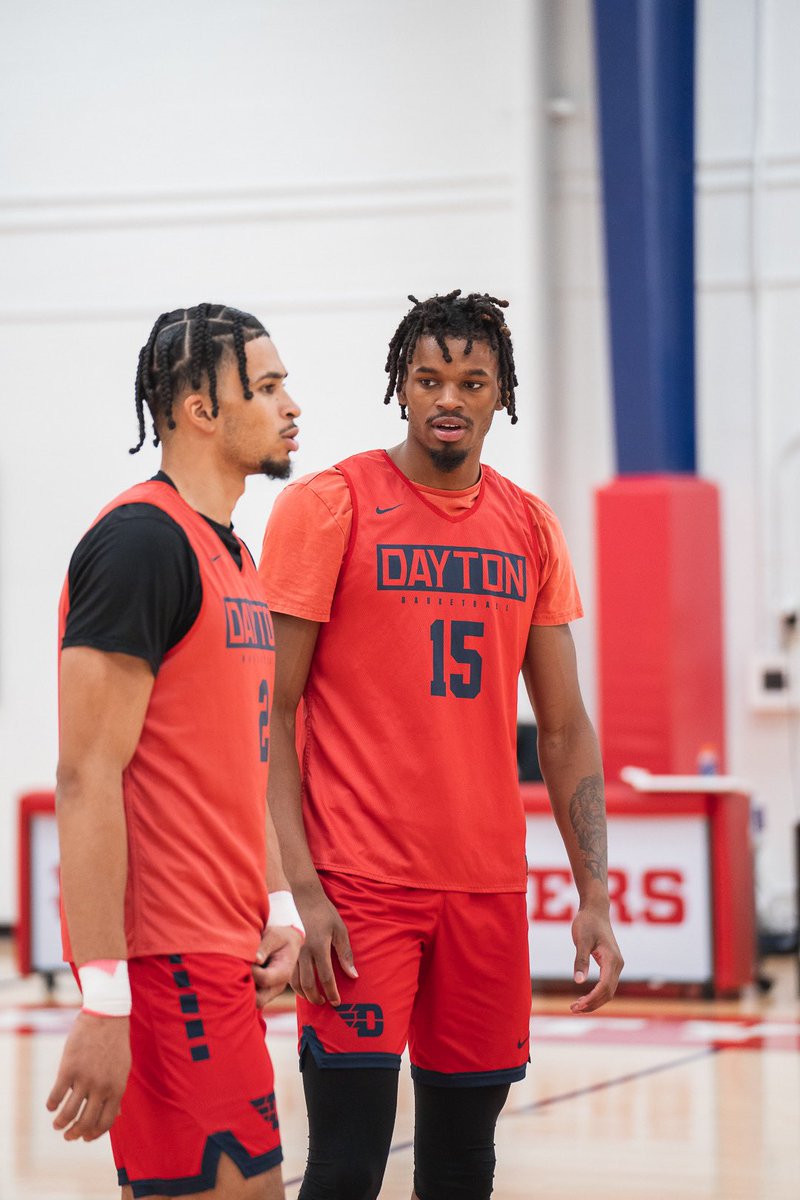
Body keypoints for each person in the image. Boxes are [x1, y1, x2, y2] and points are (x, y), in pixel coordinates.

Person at [259, 290, 624, 1200]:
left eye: (471, 380)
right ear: (402, 388)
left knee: (463, 1167)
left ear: (503, 393)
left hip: (487, 889)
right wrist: (301, 892)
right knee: (344, 1165)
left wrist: (595, 895)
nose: (448, 397)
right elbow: (269, 712)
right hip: (359, 889)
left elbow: (569, 727)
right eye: (428, 379)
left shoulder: (531, 527)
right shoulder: (329, 506)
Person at [47, 303, 304, 1200]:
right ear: (200, 408)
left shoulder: (232, 554)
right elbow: (85, 778)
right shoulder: (140, 546)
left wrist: (278, 903)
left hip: (221, 955)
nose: (290, 405)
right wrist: (106, 997)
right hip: (166, 968)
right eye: (266, 387)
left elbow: (239, 758)